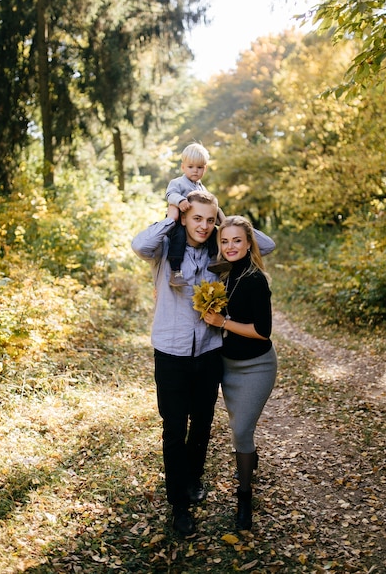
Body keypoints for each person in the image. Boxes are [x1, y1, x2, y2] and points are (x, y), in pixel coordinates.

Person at [131, 193, 275, 536]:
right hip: (171, 352)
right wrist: (172, 214)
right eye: (197, 218)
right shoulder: (166, 250)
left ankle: (194, 479)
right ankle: (178, 505)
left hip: (210, 352)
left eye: (209, 221)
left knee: (202, 424)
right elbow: (139, 244)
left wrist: (222, 217)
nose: (204, 226)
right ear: (185, 218)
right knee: (174, 427)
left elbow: (263, 245)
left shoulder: (218, 251)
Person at [204, 215, 278, 531]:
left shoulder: (255, 278)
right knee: (239, 430)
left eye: (238, 240)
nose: (231, 246)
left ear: (249, 243)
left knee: (242, 431)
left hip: (257, 366)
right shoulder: (225, 274)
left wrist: (223, 323)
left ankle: (244, 496)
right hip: (228, 366)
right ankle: (248, 465)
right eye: (225, 240)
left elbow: (263, 331)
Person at [165, 142, 227, 287]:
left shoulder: (202, 188)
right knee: (178, 239)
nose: (195, 171)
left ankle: (215, 259)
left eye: (199, 167)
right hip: (179, 221)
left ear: (205, 169)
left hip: (196, 223)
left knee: (213, 233)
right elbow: (170, 194)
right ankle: (175, 271)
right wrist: (180, 201)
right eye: (191, 167)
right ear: (183, 167)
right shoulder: (178, 183)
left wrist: (220, 217)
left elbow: (209, 204)